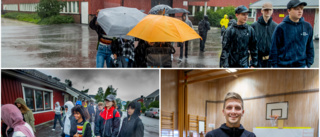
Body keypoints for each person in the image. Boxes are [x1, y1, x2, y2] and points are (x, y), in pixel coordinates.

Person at [269, 0, 314, 68]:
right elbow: (274, 48)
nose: (300, 11)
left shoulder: (307, 27)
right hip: (283, 67)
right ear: (289, 10)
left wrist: (308, 64)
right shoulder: (281, 27)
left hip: (301, 66)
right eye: (297, 9)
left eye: (301, 9)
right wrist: (275, 66)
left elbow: (310, 47)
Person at [251, 2, 278, 68]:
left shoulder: (276, 27)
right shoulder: (254, 26)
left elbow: (278, 45)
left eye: (269, 10)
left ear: (272, 11)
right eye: (266, 10)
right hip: (257, 60)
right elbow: (251, 45)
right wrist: (253, 63)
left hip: (271, 61)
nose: (268, 12)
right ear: (262, 11)